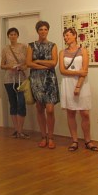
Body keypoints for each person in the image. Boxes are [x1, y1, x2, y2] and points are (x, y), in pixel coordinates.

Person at [59, 28, 98, 152]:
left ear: (75, 35)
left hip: (81, 84)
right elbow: (62, 70)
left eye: (68, 35)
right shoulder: (62, 52)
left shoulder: (83, 51)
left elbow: (84, 70)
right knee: (71, 113)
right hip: (67, 83)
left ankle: (88, 140)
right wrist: (77, 72)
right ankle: (74, 140)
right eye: (65, 36)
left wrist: (78, 86)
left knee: (85, 113)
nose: (66, 37)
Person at [26, 21, 59, 149]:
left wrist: (38, 61)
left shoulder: (53, 45)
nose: (43, 31)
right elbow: (29, 63)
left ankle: (51, 137)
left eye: (45, 29)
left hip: (50, 80)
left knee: (50, 110)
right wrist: (45, 65)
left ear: (48, 31)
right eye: (41, 29)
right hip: (36, 80)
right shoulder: (31, 46)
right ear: (37, 31)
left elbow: (54, 63)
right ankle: (43, 137)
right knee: (39, 108)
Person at [1, 27, 28, 138]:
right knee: (13, 104)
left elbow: (28, 63)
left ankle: (21, 130)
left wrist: (22, 67)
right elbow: (2, 65)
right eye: (11, 34)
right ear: (8, 36)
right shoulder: (5, 49)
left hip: (22, 79)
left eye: (14, 34)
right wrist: (10, 66)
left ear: (17, 35)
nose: (13, 36)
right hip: (9, 80)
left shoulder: (24, 47)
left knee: (21, 103)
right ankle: (16, 130)